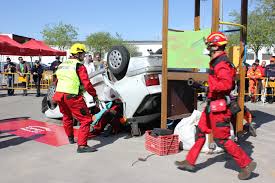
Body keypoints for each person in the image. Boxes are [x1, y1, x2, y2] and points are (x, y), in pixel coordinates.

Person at [174, 32, 256, 180]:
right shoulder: (217, 61)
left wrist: (207, 88)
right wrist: (205, 88)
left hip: (219, 108)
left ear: (215, 46)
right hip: (212, 105)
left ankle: (246, 164)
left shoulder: (222, 63)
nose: (208, 49)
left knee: (222, 139)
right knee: (200, 131)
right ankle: (190, 161)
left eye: (209, 46)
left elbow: (227, 84)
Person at [52, 43, 99, 153]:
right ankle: (82, 146)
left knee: (67, 116)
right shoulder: (79, 65)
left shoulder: (62, 64)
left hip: (59, 95)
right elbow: (86, 83)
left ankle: (70, 138)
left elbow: (56, 81)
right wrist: (94, 95)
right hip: (72, 95)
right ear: (78, 54)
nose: (84, 56)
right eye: (83, 54)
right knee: (86, 119)